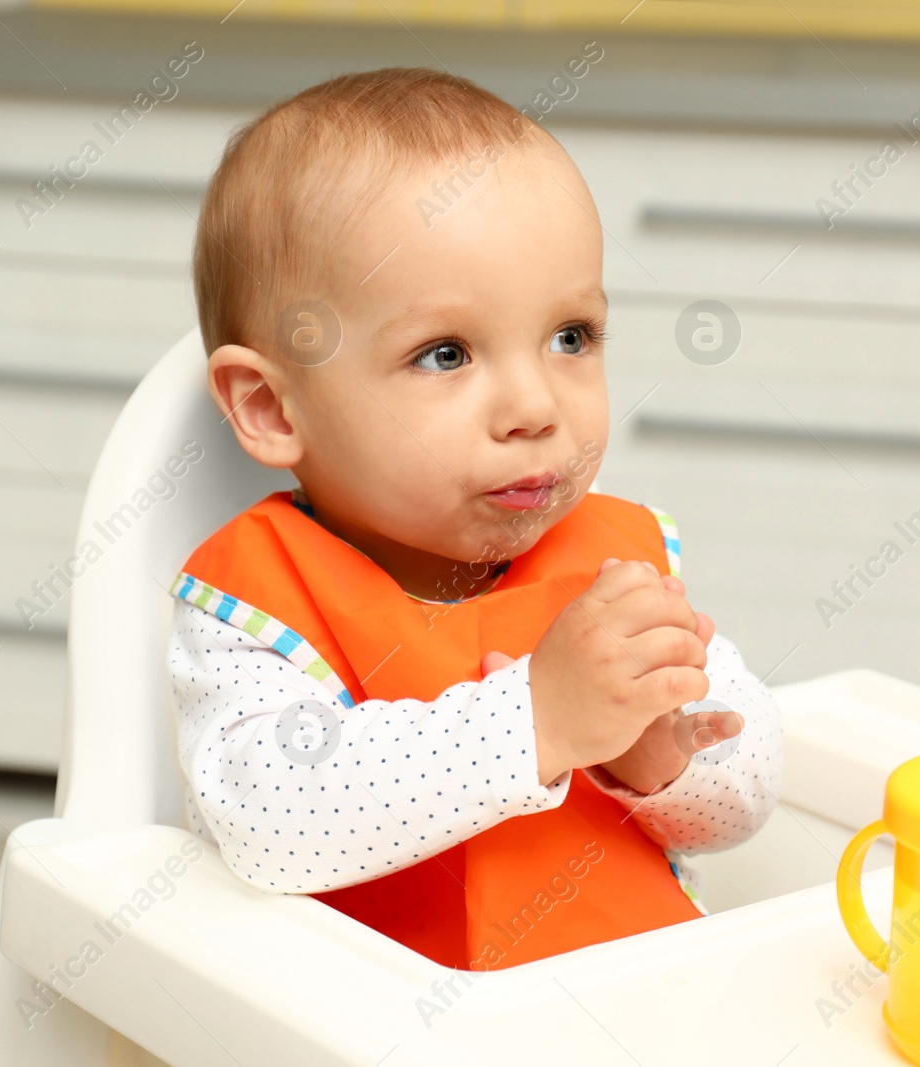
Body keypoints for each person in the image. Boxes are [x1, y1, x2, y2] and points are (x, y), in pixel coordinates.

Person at [167, 67, 780, 971]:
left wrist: (663, 765)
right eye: (444, 353)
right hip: (372, 1027)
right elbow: (268, 822)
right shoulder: (256, 602)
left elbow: (750, 795)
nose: (535, 405)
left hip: (635, 1007)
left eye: (571, 336)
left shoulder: (619, 564)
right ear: (271, 408)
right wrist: (537, 719)